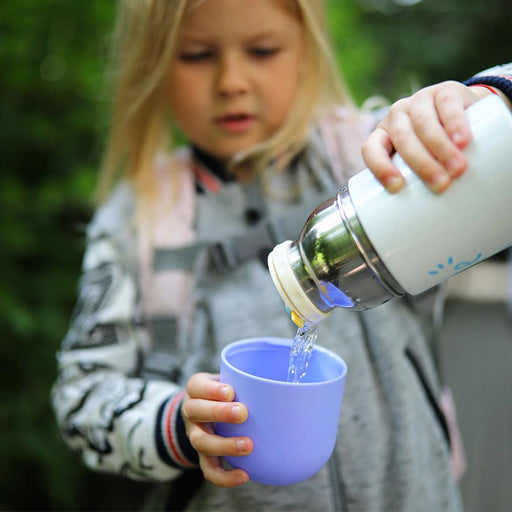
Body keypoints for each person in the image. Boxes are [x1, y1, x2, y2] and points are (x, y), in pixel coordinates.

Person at [50, 0, 512, 510]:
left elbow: (482, 148)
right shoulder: (141, 221)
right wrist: (177, 425)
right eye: (198, 55)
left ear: (307, 54)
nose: (231, 81)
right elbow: (83, 397)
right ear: (152, 65)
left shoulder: (371, 159)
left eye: (263, 50)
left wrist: (481, 104)